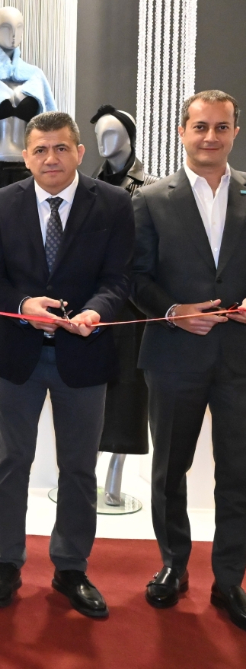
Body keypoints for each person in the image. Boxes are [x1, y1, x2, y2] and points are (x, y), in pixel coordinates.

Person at [0, 111, 134, 618]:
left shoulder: (113, 203)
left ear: (79, 153)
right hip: (18, 355)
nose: (51, 158)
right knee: (10, 464)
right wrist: (23, 305)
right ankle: (7, 562)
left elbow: (119, 279)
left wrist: (96, 312)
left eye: (61, 148)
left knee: (79, 469)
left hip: (84, 354)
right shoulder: (1, 203)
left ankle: (71, 568)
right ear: (26, 156)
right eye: (40, 149)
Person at [132, 90, 246, 632]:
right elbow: (134, 278)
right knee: (169, 469)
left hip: (239, 358)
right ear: (182, 132)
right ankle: (173, 565)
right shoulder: (151, 199)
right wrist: (173, 312)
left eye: (221, 127)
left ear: (235, 132)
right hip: (173, 355)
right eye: (200, 126)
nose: (210, 137)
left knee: (239, 472)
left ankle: (229, 580)